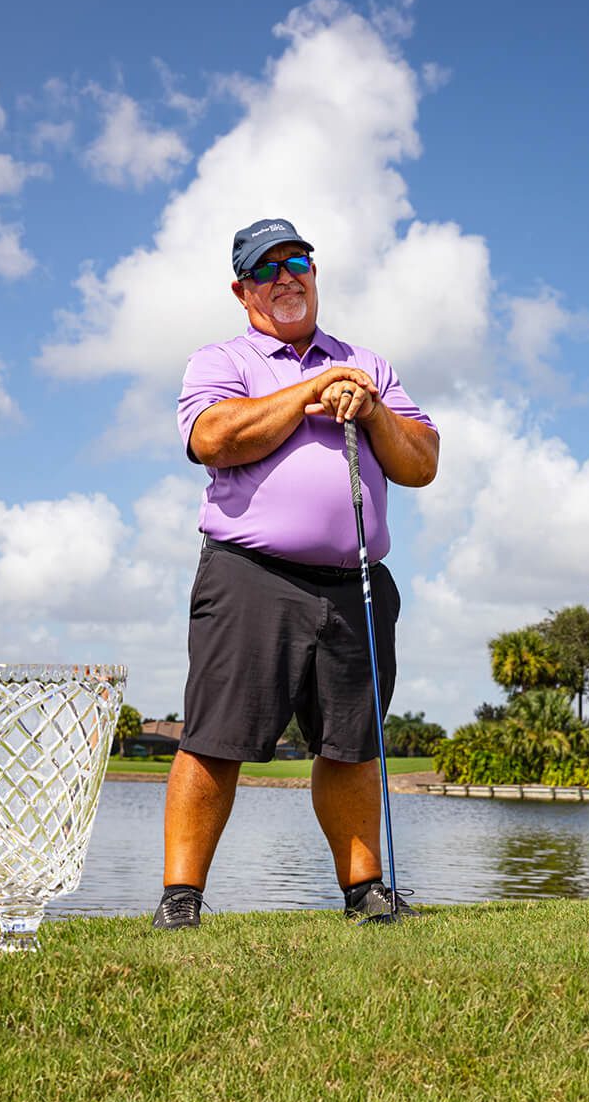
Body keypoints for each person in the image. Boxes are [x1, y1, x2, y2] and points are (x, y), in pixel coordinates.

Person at [153, 217, 439, 929]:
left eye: (297, 260)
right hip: (250, 575)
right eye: (266, 267)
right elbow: (213, 438)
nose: (285, 276)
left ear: (314, 272)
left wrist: (369, 406)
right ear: (242, 289)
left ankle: (364, 890)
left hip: (356, 584)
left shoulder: (364, 363)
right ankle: (181, 900)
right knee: (216, 738)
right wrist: (311, 392)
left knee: (351, 744)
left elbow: (422, 461)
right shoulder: (220, 359)